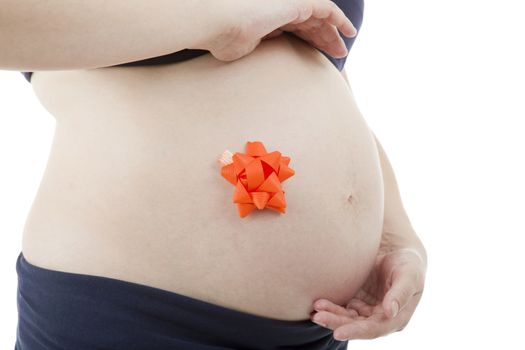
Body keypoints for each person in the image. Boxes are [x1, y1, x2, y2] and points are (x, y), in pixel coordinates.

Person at [1, 0, 427, 348]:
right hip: (139, 314)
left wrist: (393, 233)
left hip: (322, 329)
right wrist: (210, 19)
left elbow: (318, 70)